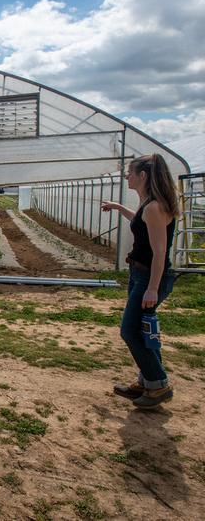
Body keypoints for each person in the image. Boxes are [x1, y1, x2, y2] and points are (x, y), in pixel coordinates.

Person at [102, 154, 180, 408]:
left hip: (148, 277)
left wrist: (153, 289)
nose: (127, 176)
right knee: (145, 332)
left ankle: (157, 384)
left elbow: (160, 252)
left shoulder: (155, 207)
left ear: (143, 176)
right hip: (140, 275)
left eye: (130, 173)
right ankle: (148, 381)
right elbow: (140, 222)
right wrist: (117, 207)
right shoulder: (150, 205)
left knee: (130, 331)